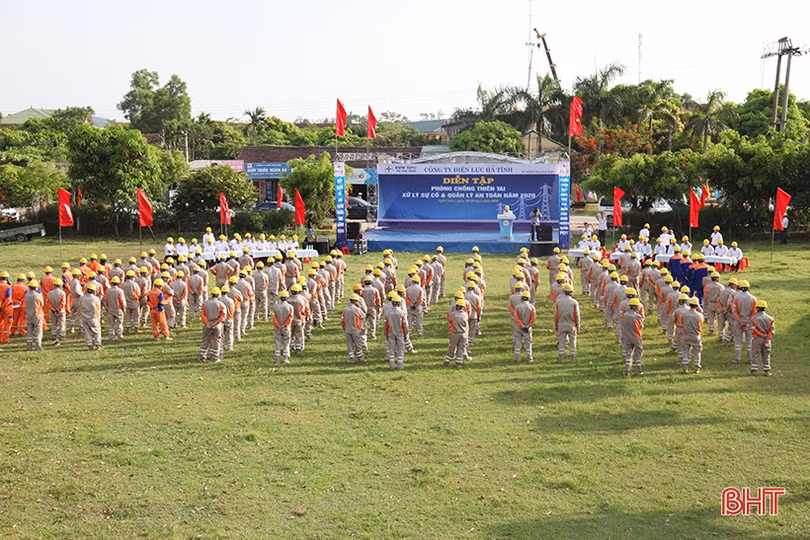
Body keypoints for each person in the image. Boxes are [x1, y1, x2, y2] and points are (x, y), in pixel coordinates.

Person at [732, 280, 756, 365]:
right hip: (750, 323)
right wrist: (748, 322)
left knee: (738, 341)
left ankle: (737, 359)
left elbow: (734, 311)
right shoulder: (753, 298)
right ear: (748, 288)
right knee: (750, 341)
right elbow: (754, 312)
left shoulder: (736, 298)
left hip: (739, 322)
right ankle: (750, 359)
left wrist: (740, 321)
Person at [554, 282, 580, 362]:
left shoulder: (558, 302)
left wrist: (556, 326)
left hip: (561, 324)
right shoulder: (574, 302)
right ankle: (573, 356)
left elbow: (556, 315)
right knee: (573, 341)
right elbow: (577, 316)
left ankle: (561, 356)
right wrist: (577, 326)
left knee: (561, 341)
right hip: (571, 324)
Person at [200, 287, 226, 363]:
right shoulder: (221, 304)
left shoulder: (205, 303)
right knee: (217, 340)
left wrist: (207, 322)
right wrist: (217, 322)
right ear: (218, 295)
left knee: (205, 340)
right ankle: (214, 357)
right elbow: (223, 315)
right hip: (217, 324)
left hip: (207, 323)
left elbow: (202, 314)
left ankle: (202, 356)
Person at [680, 296, 704, 374]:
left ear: (689, 304)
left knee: (685, 352)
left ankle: (685, 367)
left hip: (686, 335)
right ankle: (697, 368)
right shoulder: (699, 315)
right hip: (696, 336)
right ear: (697, 305)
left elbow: (682, 323)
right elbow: (701, 324)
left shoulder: (684, 314)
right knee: (697, 353)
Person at [621, 298, 644, 376]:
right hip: (636, 337)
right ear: (634, 307)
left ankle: (627, 369)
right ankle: (638, 369)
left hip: (627, 336)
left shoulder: (624, 315)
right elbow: (641, 326)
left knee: (628, 353)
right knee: (638, 353)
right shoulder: (637, 316)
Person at [751, 300, 774, 376]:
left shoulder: (754, 318)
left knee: (755, 354)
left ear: (757, 308)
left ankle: (754, 370)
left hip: (757, 339)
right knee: (766, 355)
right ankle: (767, 371)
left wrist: (761, 335)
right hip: (767, 339)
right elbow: (771, 330)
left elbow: (753, 329)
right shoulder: (770, 319)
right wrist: (767, 338)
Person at [384, 294, 408, 369]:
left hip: (390, 332)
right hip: (400, 332)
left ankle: (391, 365)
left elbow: (386, 325)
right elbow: (405, 325)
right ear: (399, 303)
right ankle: (400, 365)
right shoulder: (402, 313)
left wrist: (386, 333)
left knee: (391, 349)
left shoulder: (387, 312)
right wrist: (405, 333)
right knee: (400, 349)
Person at [342, 293, 366, 364]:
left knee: (349, 344)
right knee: (358, 344)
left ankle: (351, 357)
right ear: (355, 301)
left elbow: (342, 320)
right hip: (356, 329)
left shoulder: (345, 309)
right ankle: (360, 357)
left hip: (347, 329)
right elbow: (363, 316)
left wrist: (344, 327)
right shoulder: (357, 310)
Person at [513, 290, 535, 363]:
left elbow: (516, 318)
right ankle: (529, 357)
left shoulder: (517, 307)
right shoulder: (531, 307)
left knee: (518, 342)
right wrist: (528, 326)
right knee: (528, 343)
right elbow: (533, 318)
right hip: (528, 328)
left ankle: (517, 357)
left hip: (518, 327)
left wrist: (522, 325)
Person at [445, 298, 469, 367]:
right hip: (463, 334)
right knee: (461, 348)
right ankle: (459, 362)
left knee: (452, 347)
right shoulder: (465, 315)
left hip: (455, 333)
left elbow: (449, 319)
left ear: (457, 306)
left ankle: (448, 360)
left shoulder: (453, 315)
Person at [79, 282, 102, 350]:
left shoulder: (82, 298)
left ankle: (89, 345)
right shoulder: (96, 299)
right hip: (93, 317)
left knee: (87, 332)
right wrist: (98, 318)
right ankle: (98, 344)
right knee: (97, 331)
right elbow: (98, 309)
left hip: (84, 317)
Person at [273, 290, 293, 364]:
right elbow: (290, 318)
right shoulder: (290, 307)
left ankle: (277, 359)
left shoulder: (275, 306)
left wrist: (278, 325)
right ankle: (286, 358)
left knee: (277, 343)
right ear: (287, 298)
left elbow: (274, 317)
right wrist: (285, 325)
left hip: (277, 328)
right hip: (286, 328)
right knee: (286, 343)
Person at [24, 279, 44, 351]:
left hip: (29, 315)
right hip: (37, 315)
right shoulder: (38, 296)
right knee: (38, 331)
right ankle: (38, 346)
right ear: (36, 287)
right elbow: (42, 305)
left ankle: (29, 347)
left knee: (29, 332)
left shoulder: (26, 295)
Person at [106, 276, 125, 342]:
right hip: (118, 309)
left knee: (111, 324)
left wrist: (107, 307)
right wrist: (124, 309)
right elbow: (122, 300)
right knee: (119, 324)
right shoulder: (120, 291)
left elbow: (107, 300)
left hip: (111, 309)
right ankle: (120, 337)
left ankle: (111, 337)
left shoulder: (108, 290)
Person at [219, 285, 236, 355]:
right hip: (229, 318)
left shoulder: (219, 300)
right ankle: (229, 346)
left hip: (221, 320)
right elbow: (233, 309)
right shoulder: (230, 300)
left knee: (221, 334)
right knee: (230, 334)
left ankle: (221, 346)